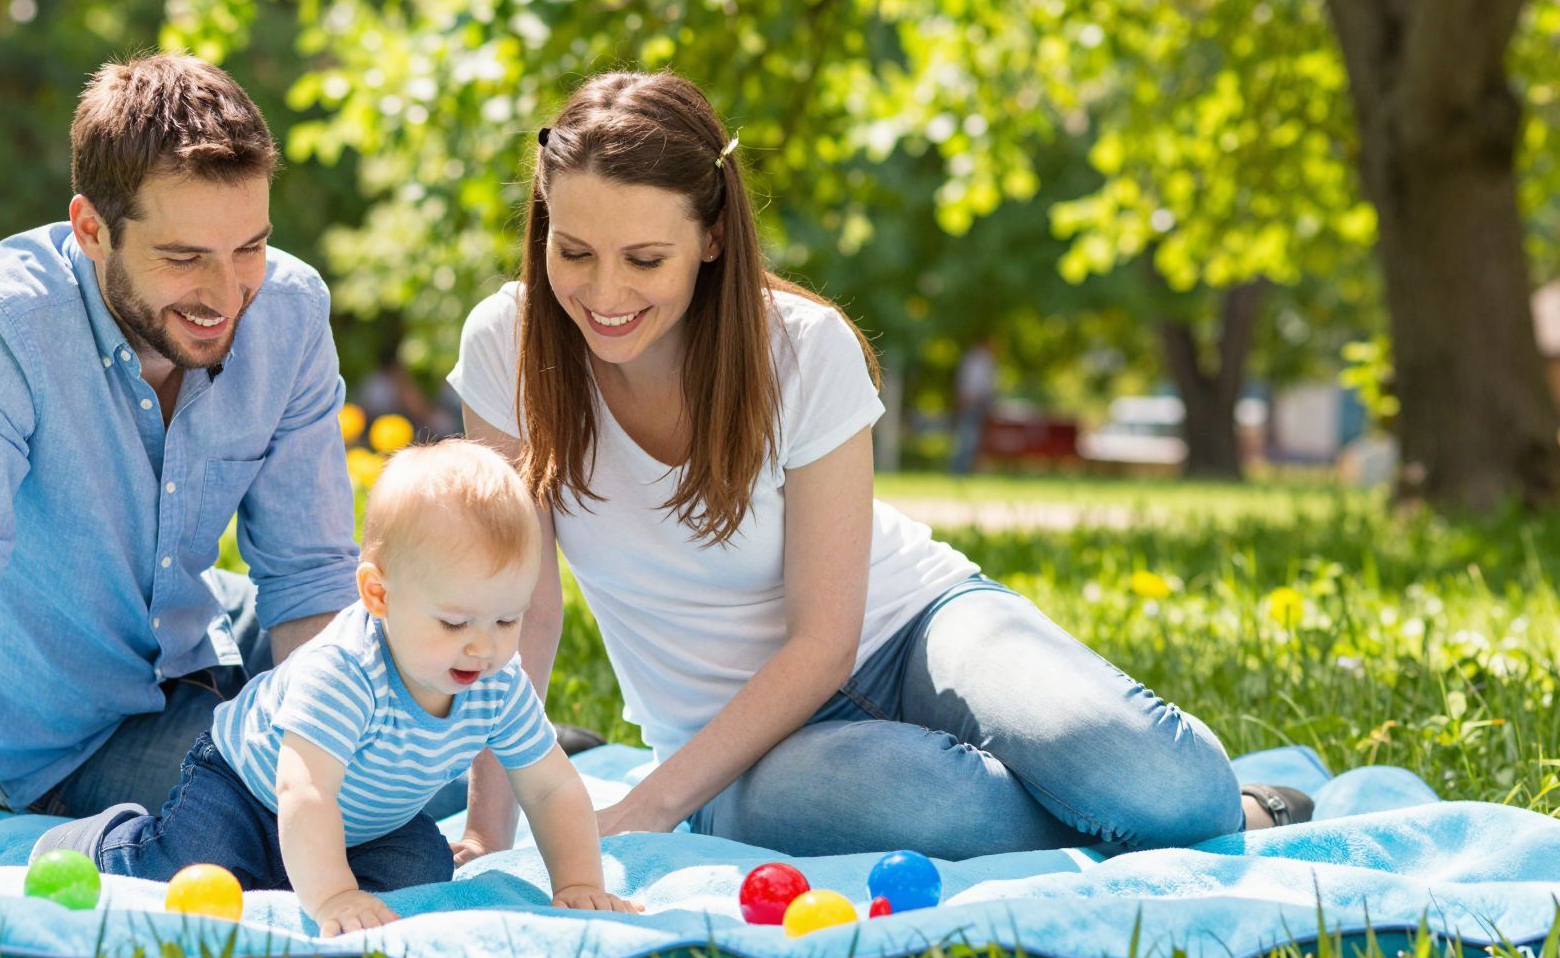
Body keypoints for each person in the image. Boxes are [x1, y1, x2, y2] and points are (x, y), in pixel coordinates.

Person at [444, 71, 1312, 866]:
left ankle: (1203, 810)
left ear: (711, 239)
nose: (603, 293)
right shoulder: (507, 345)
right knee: (920, 798)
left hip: (911, 629)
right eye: (574, 251)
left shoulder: (803, 349)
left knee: (1169, 788)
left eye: (644, 260)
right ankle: (1123, 826)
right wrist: (490, 828)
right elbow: (517, 609)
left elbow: (826, 643)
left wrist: (646, 808)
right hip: (739, 746)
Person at [0, 53, 362, 875]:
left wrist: (346, 754)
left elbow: (309, 579)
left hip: (208, 643)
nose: (227, 293)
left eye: (249, 246)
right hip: (68, 740)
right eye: (185, 257)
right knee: (305, 811)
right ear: (90, 229)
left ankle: (512, 759)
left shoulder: (287, 309)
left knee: (420, 654)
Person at [35, 441, 638, 934]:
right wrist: (332, 899)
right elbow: (305, 791)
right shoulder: (345, 671)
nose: (483, 646)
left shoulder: (496, 681)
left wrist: (580, 882)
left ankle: (300, 869)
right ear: (378, 594)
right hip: (249, 789)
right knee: (193, 871)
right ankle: (111, 841)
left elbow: (553, 786)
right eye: (455, 623)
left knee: (422, 870)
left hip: (368, 819)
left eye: (508, 619)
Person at [950, 335, 998, 475]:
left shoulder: (985, 361)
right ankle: (959, 469)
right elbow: (969, 387)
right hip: (972, 404)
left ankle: (966, 469)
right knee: (968, 437)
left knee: (973, 438)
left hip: (979, 404)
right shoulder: (975, 361)